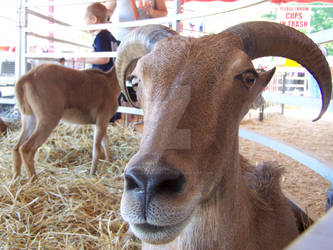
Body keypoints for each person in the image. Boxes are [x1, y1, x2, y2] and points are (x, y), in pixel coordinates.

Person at [84, 2, 122, 123]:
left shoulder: (101, 36)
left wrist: (85, 58)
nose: (86, 25)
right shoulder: (109, 36)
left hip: (103, 79)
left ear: (94, 19)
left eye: (87, 22)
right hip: (111, 80)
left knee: (103, 107)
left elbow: (104, 58)